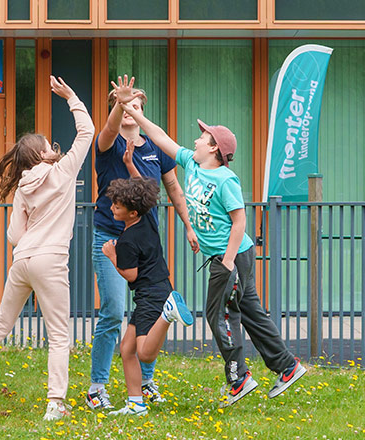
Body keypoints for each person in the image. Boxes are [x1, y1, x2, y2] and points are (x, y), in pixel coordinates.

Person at [118, 85, 316, 408]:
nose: (195, 139)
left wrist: (225, 264)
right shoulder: (192, 165)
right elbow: (161, 137)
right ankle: (287, 366)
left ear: (213, 148)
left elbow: (240, 223)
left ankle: (238, 379)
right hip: (229, 257)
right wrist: (136, 113)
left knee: (218, 314)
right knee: (249, 312)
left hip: (233, 256)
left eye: (201, 136)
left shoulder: (226, 180)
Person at [0, 75, 94, 422]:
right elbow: (86, 132)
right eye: (48, 144)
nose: (54, 146)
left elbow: (13, 235)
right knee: (58, 335)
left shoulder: (23, 188)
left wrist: (31, 247)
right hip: (51, 258)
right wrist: (71, 96)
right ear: (43, 153)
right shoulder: (64, 171)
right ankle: (56, 403)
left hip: (23, 260)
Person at [85, 76, 198, 410]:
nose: (129, 110)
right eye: (123, 105)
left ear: (143, 111)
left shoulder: (154, 149)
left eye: (134, 105)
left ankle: (144, 382)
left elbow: (174, 189)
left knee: (147, 310)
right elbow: (107, 131)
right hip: (111, 238)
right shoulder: (108, 145)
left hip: (146, 242)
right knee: (112, 311)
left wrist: (189, 227)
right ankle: (98, 387)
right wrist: (118, 104)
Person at [99, 177, 193, 417]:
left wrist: (111, 255)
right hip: (157, 289)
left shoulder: (126, 241)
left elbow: (131, 275)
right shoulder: (148, 219)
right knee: (127, 349)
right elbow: (141, 184)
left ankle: (168, 314)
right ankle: (136, 404)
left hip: (151, 296)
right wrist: (130, 164)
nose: (112, 208)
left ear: (132, 212)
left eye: (117, 207)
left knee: (144, 353)